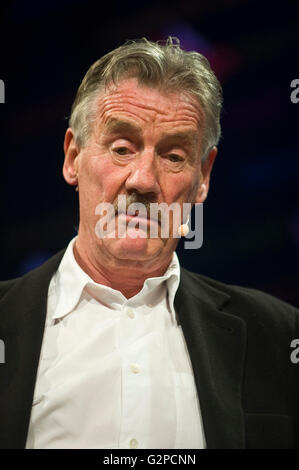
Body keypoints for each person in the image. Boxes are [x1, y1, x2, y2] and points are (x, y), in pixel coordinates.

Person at [0, 37, 298, 450]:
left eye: (174, 156)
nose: (143, 180)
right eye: (122, 148)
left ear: (203, 177)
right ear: (73, 157)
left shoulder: (280, 336)